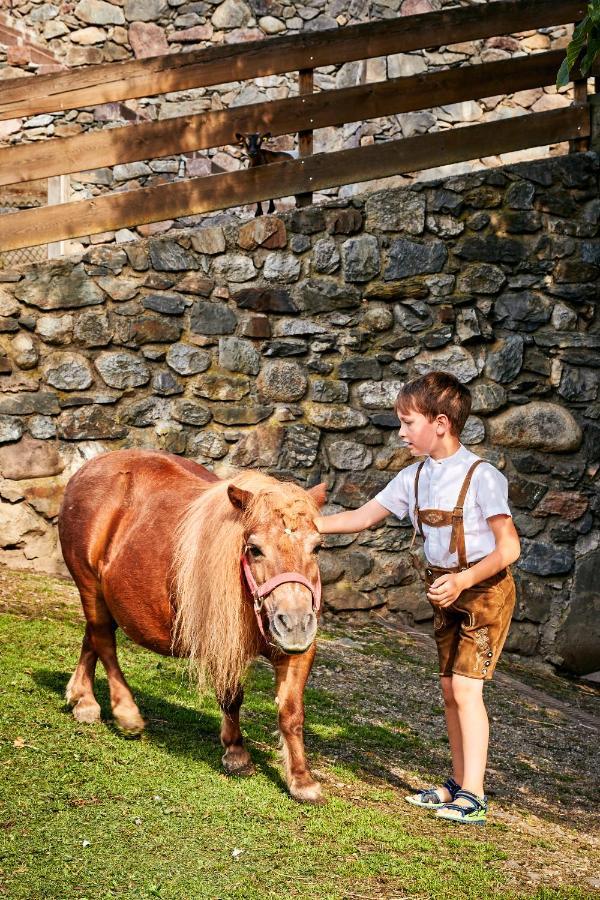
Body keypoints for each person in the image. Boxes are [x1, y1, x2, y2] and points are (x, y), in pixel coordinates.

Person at [314, 371, 521, 825]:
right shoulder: (415, 476)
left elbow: (510, 548)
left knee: (467, 689)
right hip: (445, 592)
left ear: (441, 423)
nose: (402, 432)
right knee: (449, 688)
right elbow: (364, 517)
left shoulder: (482, 477)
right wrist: (304, 526)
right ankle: (456, 782)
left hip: (484, 592)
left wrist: (464, 580)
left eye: (409, 423)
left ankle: (475, 795)